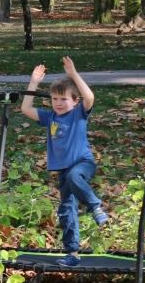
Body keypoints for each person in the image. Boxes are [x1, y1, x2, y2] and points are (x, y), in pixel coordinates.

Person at [20, 57, 109, 267]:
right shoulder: (50, 117)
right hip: (63, 170)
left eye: (63, 99)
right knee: (66, 210)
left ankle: (95, 206)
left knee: (74, 176)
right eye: (54, 99)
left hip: (83, 163)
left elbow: (90, 96)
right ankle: (73, 254)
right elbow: (26, 109)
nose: (58, 103)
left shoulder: (79, 113)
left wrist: (73, 74)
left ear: (75, 101)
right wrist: (33, 83)